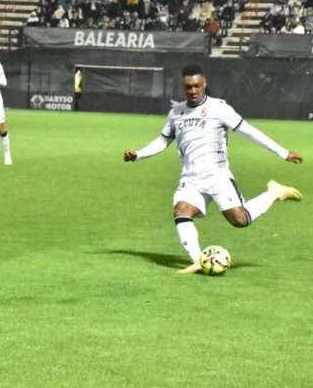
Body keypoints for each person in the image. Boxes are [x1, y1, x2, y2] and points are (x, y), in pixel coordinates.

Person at [123, 64, 303, 274]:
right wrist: (138, 154)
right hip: (191, 179)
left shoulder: (219, 108)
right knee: (181, 210)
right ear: (183, 86)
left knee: (240, 220)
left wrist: (283, 152)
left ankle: (274, 192)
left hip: (218, 177)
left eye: (197, 86)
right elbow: (163, 141)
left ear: (204, 83)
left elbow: (249, 131)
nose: (193, 91)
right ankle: (198, 261)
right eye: (188, 87)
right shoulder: (176, 113)